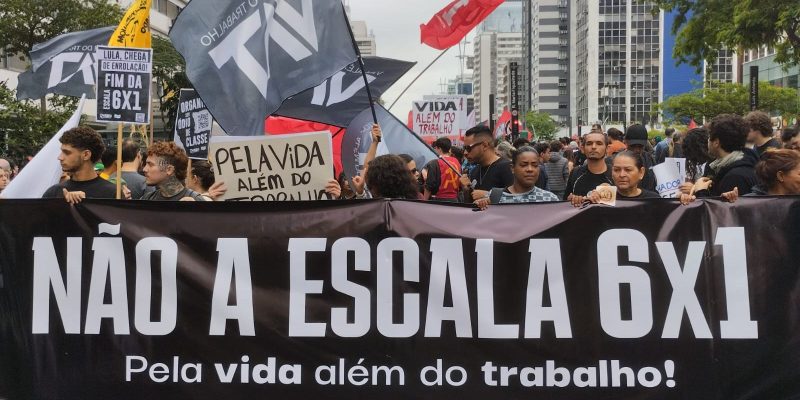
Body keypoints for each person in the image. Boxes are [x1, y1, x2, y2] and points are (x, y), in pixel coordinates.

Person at [691, 114, 759, 198]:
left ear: (716, 142)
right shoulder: (734, 165)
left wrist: (701, 192)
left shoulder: (735, 177)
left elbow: (719, 210)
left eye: (709, 136)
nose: (707, 140)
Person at [42, 126, 117, 202]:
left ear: (86, 155)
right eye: (61, 152)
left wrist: (86, 204)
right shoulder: (54, 192)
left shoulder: (112, 193)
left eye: (67, 152)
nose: (60, 157)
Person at [474, 146, 559, 209]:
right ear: (512, 168)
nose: (530, 169)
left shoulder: (550, 199)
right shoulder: (494, 197)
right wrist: (479, 206)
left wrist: (572, 204)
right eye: (523, 165)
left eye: (535, 165)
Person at [460, 126, 514, 203]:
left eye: (468, 148)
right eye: (464, 148)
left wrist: (488, 195)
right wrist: (466, 190)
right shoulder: (474, 171)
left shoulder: (507, 168)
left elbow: (517, 197)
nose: (465, 153)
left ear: (484, 145)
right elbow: (471, 205)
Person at [141, 141, 206, 201]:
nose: (144, 169)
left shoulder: (194, 199)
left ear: (169, 169)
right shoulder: (147, 198)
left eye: (150, 164)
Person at [565, 131, 613, 206]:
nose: (593, 147)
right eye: (589, 143)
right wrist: (571, 200)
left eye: (599, 143)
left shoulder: (616, 174)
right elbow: (565, 201)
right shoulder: (575, 173)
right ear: (582, 148)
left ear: (607, 148)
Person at [422, 137, 462, 202]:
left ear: (439, 149)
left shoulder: (434, 163)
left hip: (439, 200)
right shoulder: (457, 162)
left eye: (435, 148)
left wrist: (424, 201)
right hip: (455, 200)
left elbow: (429, 185)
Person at [623, 124, 657, 191]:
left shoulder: (650, 159)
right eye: (633, 146)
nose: (637, 150)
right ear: (626, 142)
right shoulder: (615, 161)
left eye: (640, 146)